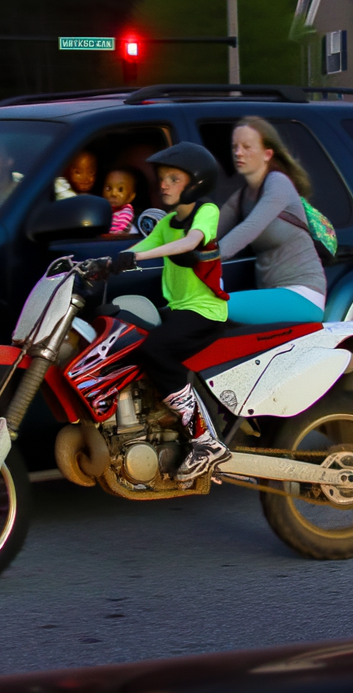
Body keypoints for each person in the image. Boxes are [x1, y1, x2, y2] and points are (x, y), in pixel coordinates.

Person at [112, 143, 231, 481]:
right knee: (125, 336)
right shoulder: (165, 222)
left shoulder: (205, 212)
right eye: (162, 178)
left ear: (195, 183)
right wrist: (105, 264)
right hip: (177, 309)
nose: (164, 184)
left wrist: (138, 258)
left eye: (173, 178)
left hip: (205, 311)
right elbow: (138, 249)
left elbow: (190, 243)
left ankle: (205, 441)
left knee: (156, 350)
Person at [218, 117, 326, 324]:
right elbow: (208, 234)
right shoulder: (241, 197)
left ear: (267, 154)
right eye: (235, 147)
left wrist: (208, 259)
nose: (238, 153)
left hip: (302, 294)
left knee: (213, 307)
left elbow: (249, 228)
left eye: (247, 147)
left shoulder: (279, 183)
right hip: (272, 294)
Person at [102, 168, 138, 234]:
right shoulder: (105, 210)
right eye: (108, 188)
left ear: (130, 197)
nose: (113, 194)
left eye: (120, 190)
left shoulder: (126, 211)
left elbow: (120, 230)